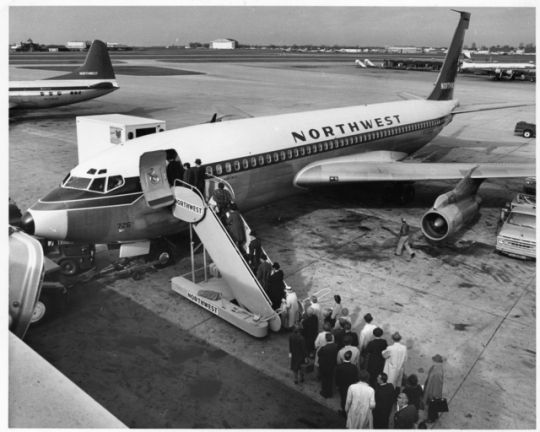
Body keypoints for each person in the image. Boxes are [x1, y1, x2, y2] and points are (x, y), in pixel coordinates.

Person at [335, 350, 359, 416]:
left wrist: (337, 385)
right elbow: (356, 378)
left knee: (343, 399)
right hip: (350, 386)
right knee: (350, 399)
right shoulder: (354, 367)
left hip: (342, 386)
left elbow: (337, 377)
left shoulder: (339, 366)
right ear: (351, 357)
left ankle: (344, 411)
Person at [422, 354, 444, 423]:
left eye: (434, 361)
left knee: (432, 405)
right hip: (431, 387)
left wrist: (434, 395)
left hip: (433, 391)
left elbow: (437, 385)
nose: (433, 362)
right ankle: (435, 416)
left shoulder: (438, 372)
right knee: (433, 405)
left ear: (437, 362)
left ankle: (431, 419)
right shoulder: (436, 367)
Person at [317, 333, 340, 399]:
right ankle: (330, 393)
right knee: (330, 379)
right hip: (332, 365)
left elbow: (319, 354)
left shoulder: (324, 348)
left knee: (324, 379)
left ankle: (324, 393)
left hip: (324, 365)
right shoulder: (336, 346)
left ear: (326, 339)